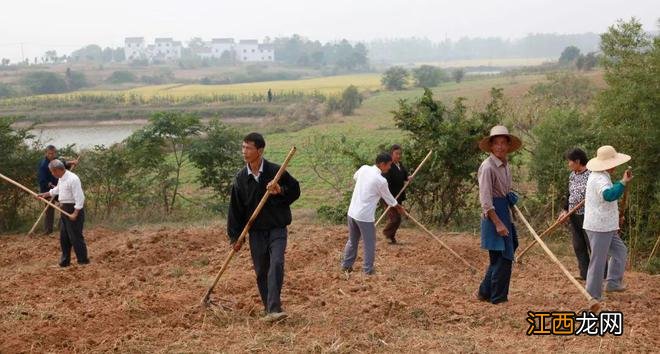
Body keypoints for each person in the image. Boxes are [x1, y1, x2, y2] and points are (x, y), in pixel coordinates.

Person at [227, 132, 300, 323]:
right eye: (243, 147)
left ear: (259, 150)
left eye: (248, 148)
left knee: (276, 263)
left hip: (277, 228)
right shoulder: (241, 179)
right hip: (256, 232)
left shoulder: (276, 172)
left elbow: (295, 191)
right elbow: (235, 210)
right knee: (261, 270)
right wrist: (235, 237)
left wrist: (279, 191)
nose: (244, 151)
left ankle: (275, 308)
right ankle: (269, 310)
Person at [475, 125, 522, 304]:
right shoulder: (487, 167)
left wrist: (510, 197)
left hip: (504, 210)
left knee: (505, 251)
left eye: (503, 143)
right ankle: (498, 297)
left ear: (508, 146)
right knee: (503, 255)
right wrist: (498, 223)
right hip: (494, 214)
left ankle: (484, 292)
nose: (500, 147)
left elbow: (504, 190)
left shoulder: (505, 164)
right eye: (497, 144)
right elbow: (486, 201)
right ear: (492, 146)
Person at [341, 152, 405, 275]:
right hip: (364, 216)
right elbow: (389, 199)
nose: (389, 168)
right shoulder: (381, 180)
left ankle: (346, 266)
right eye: (389, 165)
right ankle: (368, 270)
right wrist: (398, 207)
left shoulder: (364, 168)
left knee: (352, 240)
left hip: (352, 212)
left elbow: (355, 177)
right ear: (382, 164)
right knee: (369, 243)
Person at [583, 145, 632, 300]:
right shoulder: (598, 179)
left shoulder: (603, 175)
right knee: (598, 260)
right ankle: (593, 294)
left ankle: (612, 282)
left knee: (620, 251)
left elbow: (607, 200)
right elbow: (609, 196)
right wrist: (623, 183)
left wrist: (615, 216)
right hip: (599, 226)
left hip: (607, 225)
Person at [37, 159, 88, 267]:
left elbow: (80, 197)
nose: (52, 174)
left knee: (75, 237)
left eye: (52, 171)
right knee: (64, 238)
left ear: (57, 170)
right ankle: (65, 262)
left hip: (73, 209)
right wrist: (45, 194)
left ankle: (83, 261)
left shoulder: (73, 179)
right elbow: (58, 190)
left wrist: (75, 213)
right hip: (64, 209)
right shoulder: (61, 179)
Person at [37, 145, 78, 235]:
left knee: (64, 206)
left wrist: (72, 163)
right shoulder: (43, 165)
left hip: (59, 188)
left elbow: (63, 164)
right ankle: (48, 230)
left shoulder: (57, 161)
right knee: (49, 209)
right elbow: (42, 180)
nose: (51, 155)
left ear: (55, 153)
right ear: (46, 153)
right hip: (47, 190)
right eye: (50, 153)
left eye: (53, 153)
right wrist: (51, 185)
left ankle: (62, 226)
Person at [381, 144, 411, 244]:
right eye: (396, 154)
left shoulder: (400, 165)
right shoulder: (388, 167)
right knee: (395, 218)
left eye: (400, 154)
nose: (398, 156)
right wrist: (389, 197)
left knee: (397, 219)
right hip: (389, 197)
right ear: (391, 154)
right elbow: (385, 183)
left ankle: (391, 237)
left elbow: (405, 176)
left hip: (398, 197)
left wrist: (408, 178)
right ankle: (387, 234)